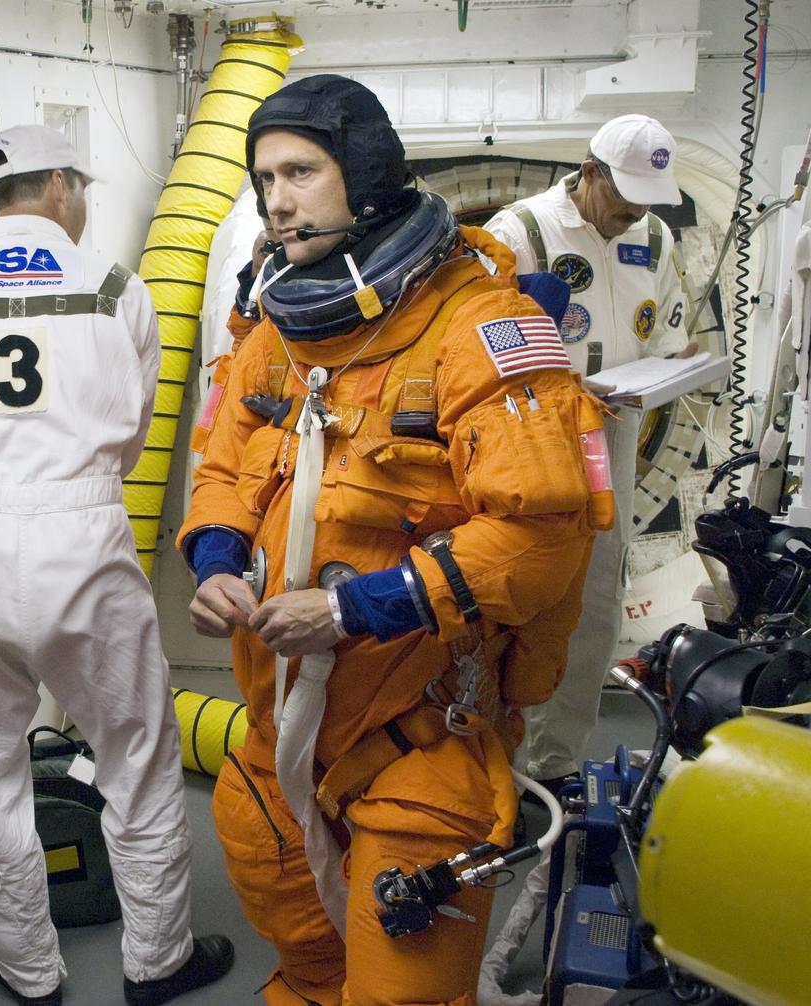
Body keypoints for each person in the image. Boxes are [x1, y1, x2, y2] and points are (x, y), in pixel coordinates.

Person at [179, 74, 600, 1005]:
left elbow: (540, 540)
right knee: (302, 952)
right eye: (264, 178)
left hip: (417, 733)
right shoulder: (276, 330)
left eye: (301, 172)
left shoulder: (479, 326)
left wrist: (352, 609)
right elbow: (225, 466)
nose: (277, 200)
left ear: (365, 174)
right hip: (283, 732)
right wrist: (214, 560)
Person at [0, 124, 232, 1006]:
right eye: (83, 186)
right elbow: (129, 442)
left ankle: (28, 973)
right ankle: (158, 962)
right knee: (137, 754)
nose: (83, 201)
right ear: (60, 183)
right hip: (83, 541)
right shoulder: (116, 289)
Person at [485, 113, 693, 792]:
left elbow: (666, 330)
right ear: (589, 172)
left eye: (648, 200)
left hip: (614, 429)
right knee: (519, 593)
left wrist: (677, 362)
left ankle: (557, 764)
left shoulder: (653, 236)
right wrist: (558, 384)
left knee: (599, 598)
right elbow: (479, 342)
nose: (635, 213)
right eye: (625, 197)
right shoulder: (521, 232)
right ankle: (491, 765)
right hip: (534, 433)